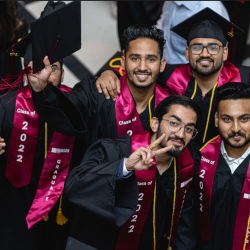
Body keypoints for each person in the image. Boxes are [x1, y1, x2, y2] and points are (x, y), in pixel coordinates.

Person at [96, 8, 249, 147]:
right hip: (176, 158)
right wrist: (109, 73)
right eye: (197, 47)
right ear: (187, 53)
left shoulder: (243, 78)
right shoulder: (171, 75)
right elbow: (139, 72)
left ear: (225, 53)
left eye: (213, 47)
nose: (204, 54)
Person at [64, 95, 201, 250]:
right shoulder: (114, 149)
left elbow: (185, 215)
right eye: (174, 123)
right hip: (95, 244)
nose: (181, 134)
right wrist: (125, 167)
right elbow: (74, 185)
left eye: (189, 128)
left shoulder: (188, 164)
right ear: (155, 123)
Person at [0, 2, 83, 250]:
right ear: (25, 72)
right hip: (15, 205)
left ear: (64, 73)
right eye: (38, 67)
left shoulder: (76, 105)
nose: (45, 75)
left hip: (59, 205)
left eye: (54, 68)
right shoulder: (6, 107)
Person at [31, 24, 170, 150]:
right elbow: (68, 107)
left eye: (151, 59)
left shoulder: (169, 106)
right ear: (123, 62)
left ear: (162, 64)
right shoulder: (98, 92)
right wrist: (41, 89)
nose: (142, 67)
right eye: (135, 58)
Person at [196, 82, 250, 249]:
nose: (236, 128)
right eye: (227, 119)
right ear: (216, 120)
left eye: (244, 119)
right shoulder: (199, 159)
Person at [156, 1, 229, 64]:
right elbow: (163, 25)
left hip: (189, 75)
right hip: (165, 67)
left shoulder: (208, 7)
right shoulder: (170, 2)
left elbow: (215, 56)